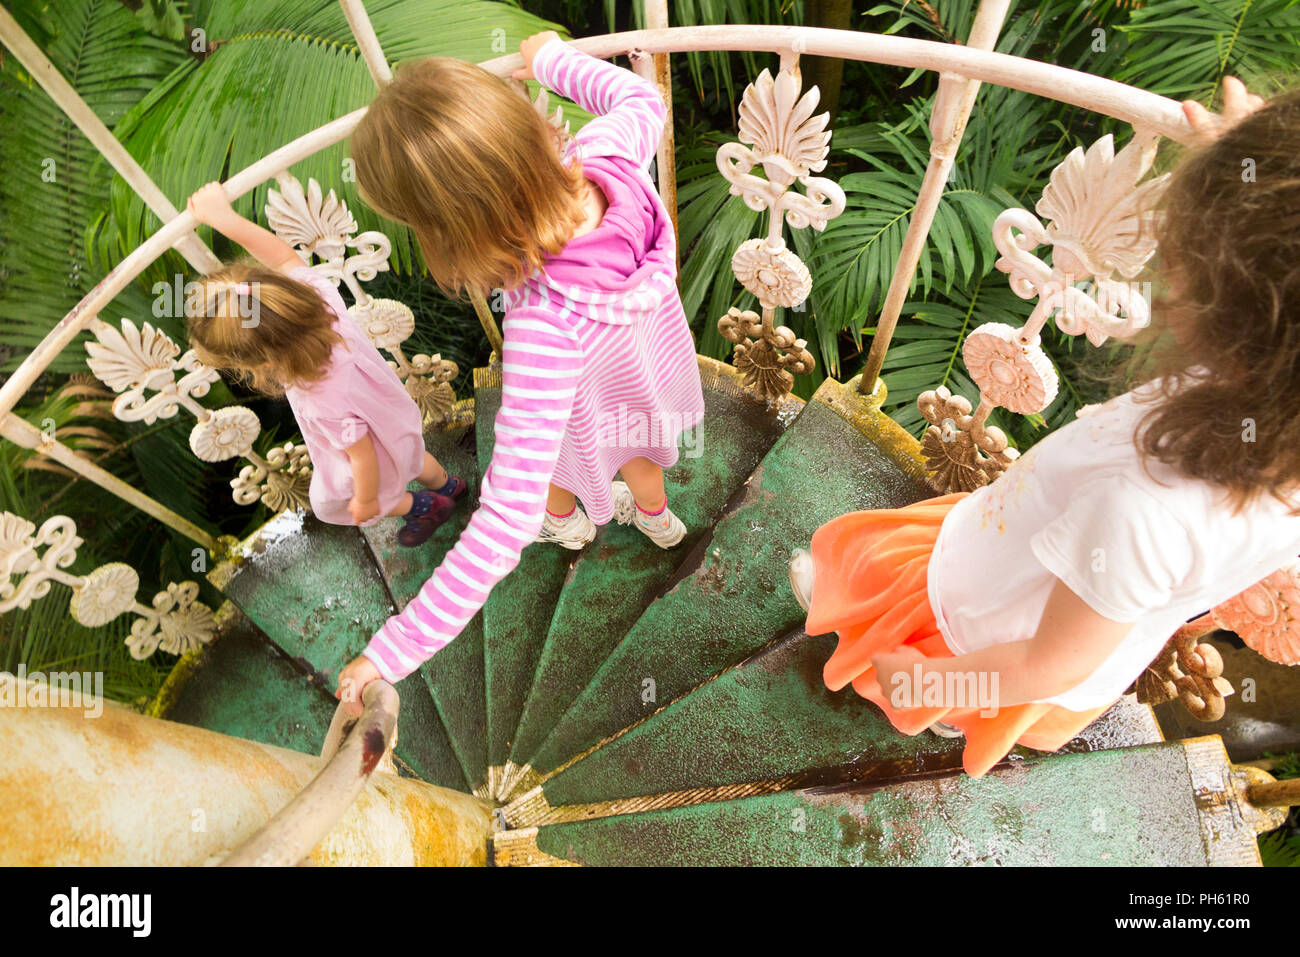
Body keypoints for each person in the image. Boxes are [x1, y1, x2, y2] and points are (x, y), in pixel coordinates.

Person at [790, 77, 1300, 777]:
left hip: (992, 613)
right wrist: (1258, 179)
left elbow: (1039, 663)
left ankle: (911, 690)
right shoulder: (1275, 413)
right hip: (1043, 567)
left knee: (931, 663)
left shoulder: (1145, 510)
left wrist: (929, 683)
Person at [335, 32, 704, 707]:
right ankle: (656, 517)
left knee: (555, 481)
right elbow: (642, 95)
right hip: (652, 379)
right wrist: (551, 62)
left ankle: (568, 524)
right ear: (524, 124)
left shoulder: (542, 323)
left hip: (580, 414)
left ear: (452, 230)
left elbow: (504, 519)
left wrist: (391, 649)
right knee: (646, 454)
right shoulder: (609, 157)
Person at [185, 183, 466, 546]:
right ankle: (450, 486)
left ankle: (423, 505)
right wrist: (226, 219)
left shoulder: (320, 397)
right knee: (410, 453)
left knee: (332, 503)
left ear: (264, 361)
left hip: (369, 454)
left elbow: (363, 456)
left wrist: (366, 501)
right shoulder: (317, 298)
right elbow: (284, 258)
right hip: (392, 416)